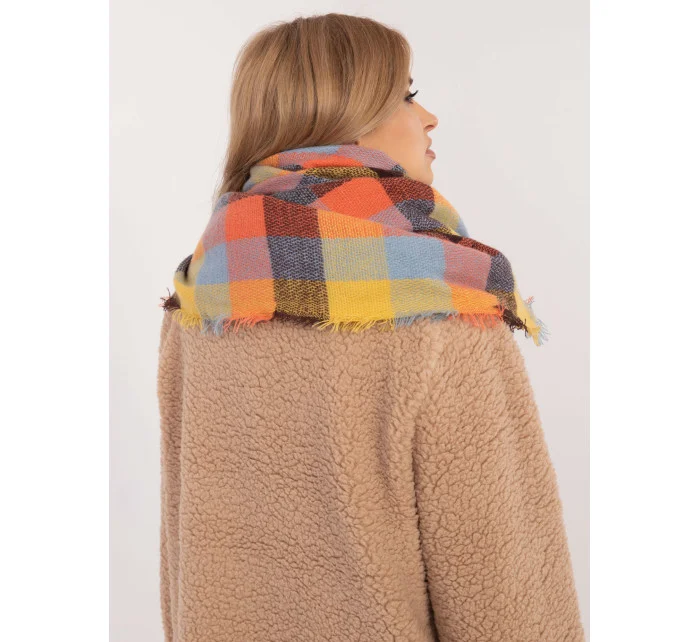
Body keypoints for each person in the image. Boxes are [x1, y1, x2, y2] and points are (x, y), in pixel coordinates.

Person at [157, 12, 585, 642]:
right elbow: (504, 583)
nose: (429, 117)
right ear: (345, 113)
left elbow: (184, 556)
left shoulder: (202, 293)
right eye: (407, 95)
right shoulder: (444, 303)